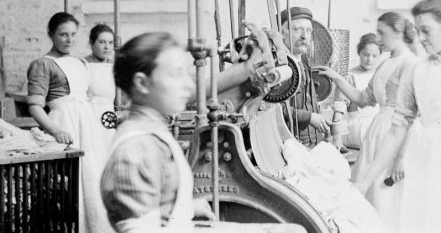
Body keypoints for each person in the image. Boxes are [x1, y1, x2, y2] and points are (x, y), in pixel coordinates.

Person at [101, 32, 305, 233]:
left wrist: (185, 208)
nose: (188, 85)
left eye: (186, 74)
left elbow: (157, 206)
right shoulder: (136, 151)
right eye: (175, 74)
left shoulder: (152, 132)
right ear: (141, 83)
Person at [317, 12, 418, 232]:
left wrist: (401, 157)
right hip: (377, 134)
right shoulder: (385, 64)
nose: (379, 38)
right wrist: (336, 77)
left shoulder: (410, 64)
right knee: (369, 197)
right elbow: (363, 98)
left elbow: (412, 116)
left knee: (388, 199)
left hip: (395, 135)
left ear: (398, 32)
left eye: (383, 32)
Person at [354, 0, 441, 233]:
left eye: (427, 31)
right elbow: (397, 130)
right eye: (418, 30)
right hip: (425, 155)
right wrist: (364, 182)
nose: (420, 38)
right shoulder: (419, 70)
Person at [26, 12, 112, 233]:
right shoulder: (43, 64)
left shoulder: (79, 63)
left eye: (73, 34)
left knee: (93, 178)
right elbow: (35, 106)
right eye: (63, 34)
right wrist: (56, 130)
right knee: (71, 184)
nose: (69, 39)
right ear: (51, 35)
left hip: (87, 124)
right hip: (64, 123)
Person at [278, 7, 332, 147]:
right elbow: (272, 111)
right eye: (297, 30)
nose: (304, 36)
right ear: (281, 33)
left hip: (312, 143)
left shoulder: (304, 61)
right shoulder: (278, 67)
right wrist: (309, 117)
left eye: (308, 31)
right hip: (290, 144)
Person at [334, 33, 382, 149]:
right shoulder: (350, 76)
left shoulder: (381, 74)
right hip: (355, 128)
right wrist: (337, 137)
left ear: (380, 55)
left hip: (377, 128)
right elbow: (340, 107)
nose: (369, 60)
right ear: (359, 53)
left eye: (374, 56)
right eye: (365, 55)